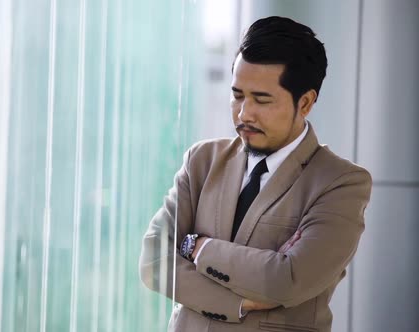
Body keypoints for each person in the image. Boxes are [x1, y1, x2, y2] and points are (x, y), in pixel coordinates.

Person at [139, 16, 372, 332]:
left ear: (304, 103)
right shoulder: (202, 161)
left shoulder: (340, 183)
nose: (244, 113)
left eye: (262, 100)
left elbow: (286, 280)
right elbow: (154, 261)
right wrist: (236, 303)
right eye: (237, 95)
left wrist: (196, 247)